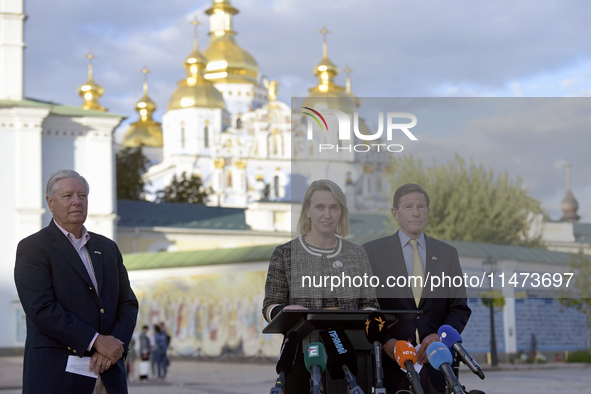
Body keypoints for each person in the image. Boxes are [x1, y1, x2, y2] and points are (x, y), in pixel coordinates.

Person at [14, 169, 139, 394]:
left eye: (82, 196)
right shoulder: (33, 248)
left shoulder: (107, 248)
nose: (77, 202)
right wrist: (95, 341)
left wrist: (112, 346)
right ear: (50, 202)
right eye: (68, 196)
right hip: (58, 379)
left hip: (108, 376)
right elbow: (41, 309)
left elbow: (127, 304)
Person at [262, 179, 378, 393]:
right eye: (320, 207)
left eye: (334, 207)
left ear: (341, 212)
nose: (327, 214)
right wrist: (284, 312)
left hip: (349, 356)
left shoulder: (356, 254)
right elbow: (270, 307)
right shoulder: (284, 254)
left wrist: (369, 320)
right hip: (299, 357)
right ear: (307, 210)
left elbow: (370, 305)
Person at [363, 183, 471, 394]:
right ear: (395, 213)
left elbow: (460, 308)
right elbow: (364, 309)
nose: (415, 212)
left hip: (437, 365)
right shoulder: (371, 252)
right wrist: (387, 342)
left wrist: (440, 336)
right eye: (408, 207)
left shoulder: (448, 254)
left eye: (421, 207)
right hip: (389, 366)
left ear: (428, 212)